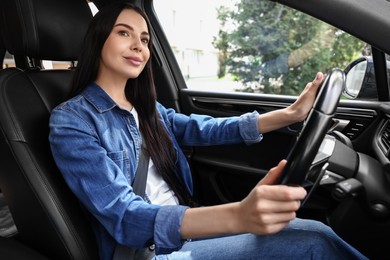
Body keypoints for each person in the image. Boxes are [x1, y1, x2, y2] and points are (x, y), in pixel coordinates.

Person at [49, 1, 367, 260]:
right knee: (313, 242)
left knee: (312, 232)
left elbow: (210, 129)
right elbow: (124, 215)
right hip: (148, 252)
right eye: (124, 33)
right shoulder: (72, 121)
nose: (139, 46)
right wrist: (238, 216)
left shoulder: (147, 110)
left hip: (187, 228)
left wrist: (290, 114)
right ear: (98, 39)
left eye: (145, 39)